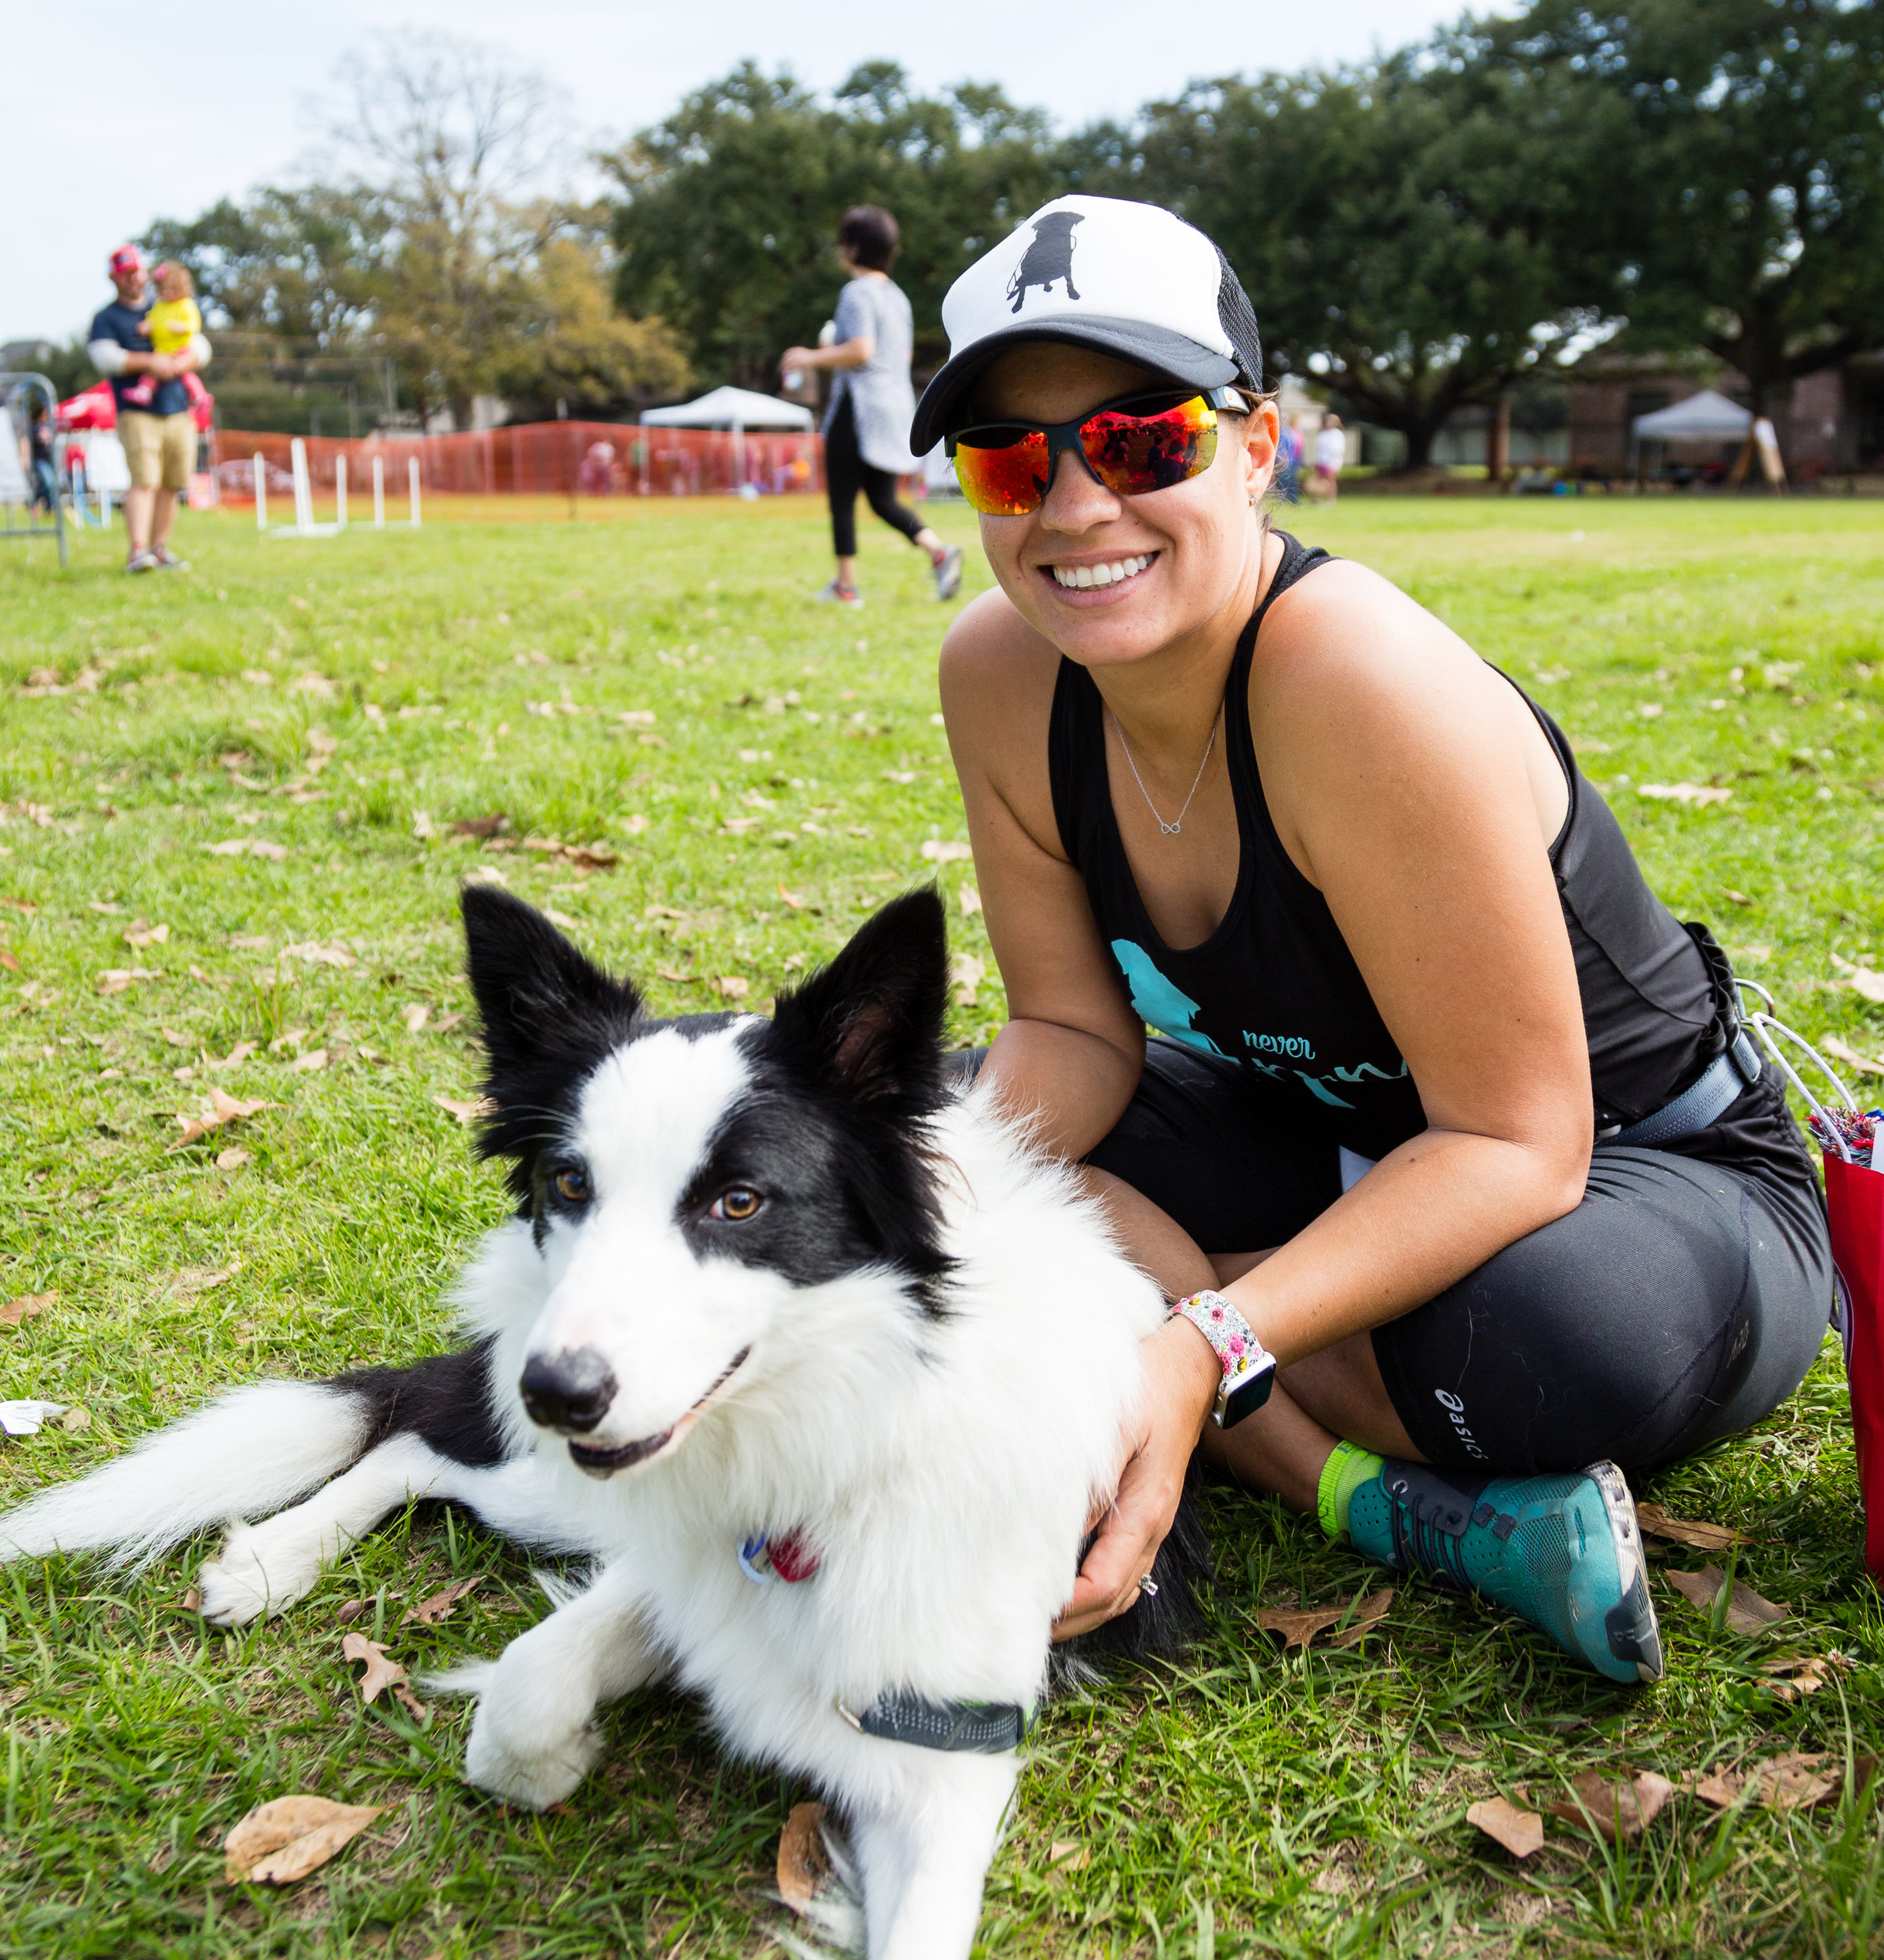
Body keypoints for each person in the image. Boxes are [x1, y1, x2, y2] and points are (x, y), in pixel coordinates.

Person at [926, 192, 1831, 1684]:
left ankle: (1166, 1353)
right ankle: (1366, 1496)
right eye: (1011, 461)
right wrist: (915, 1196)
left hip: (1635, 1169)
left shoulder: (1354, 678)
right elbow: (1074, 1036)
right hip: (1329, 1131)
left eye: (1147, 439)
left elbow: (1517, 1145)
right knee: (956, 1147)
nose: (1077, 506)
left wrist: (1200, 1331)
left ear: (1259, 446)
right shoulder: (1000, 674)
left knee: (1547, 1344)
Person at [781, 205, 962, 607]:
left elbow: (862, 350)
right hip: (894, 406)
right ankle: (937, 550)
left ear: (852, 248)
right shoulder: (898, 297)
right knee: (881, 500)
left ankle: (846, 588)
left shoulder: (856, 291)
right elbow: (897, 351)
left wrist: (810, 357)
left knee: (842, 499)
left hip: (859, 407)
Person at [86, 245, 212, 571]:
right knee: (144, 479)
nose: (134, 279)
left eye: (137, 272)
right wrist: (150, 361)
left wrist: (180, 362)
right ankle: (137, 551)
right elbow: (104, 357)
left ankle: (160, 549)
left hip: (177, 409)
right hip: (137, 411)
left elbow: (199, 344)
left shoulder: (168, 305)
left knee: (174, 482)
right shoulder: (107, 318)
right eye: (126, 274)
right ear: (114, 278)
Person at [127, 261, 203, 407]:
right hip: (162, 350)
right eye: (162, 290)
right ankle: (144, 392)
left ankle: (199, 396)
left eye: (171, 290)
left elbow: (194, 325)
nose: (166, 293)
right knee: (152, 371)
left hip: (181, 349)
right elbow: (153, 318)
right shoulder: (159, 305)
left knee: (186, 374)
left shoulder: (186, 305)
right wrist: (146, 326)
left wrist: (182, 327)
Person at [1310, 412, 1347, 503]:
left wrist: (1332, 462)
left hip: (1332, 462)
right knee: (1319, 480)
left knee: (1331, 481)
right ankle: (1316, 498)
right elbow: (1319, 448)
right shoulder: (1323, 434)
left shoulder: (1337, 434)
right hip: (1322, 461)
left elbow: (1338, 450)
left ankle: (1331, 499)